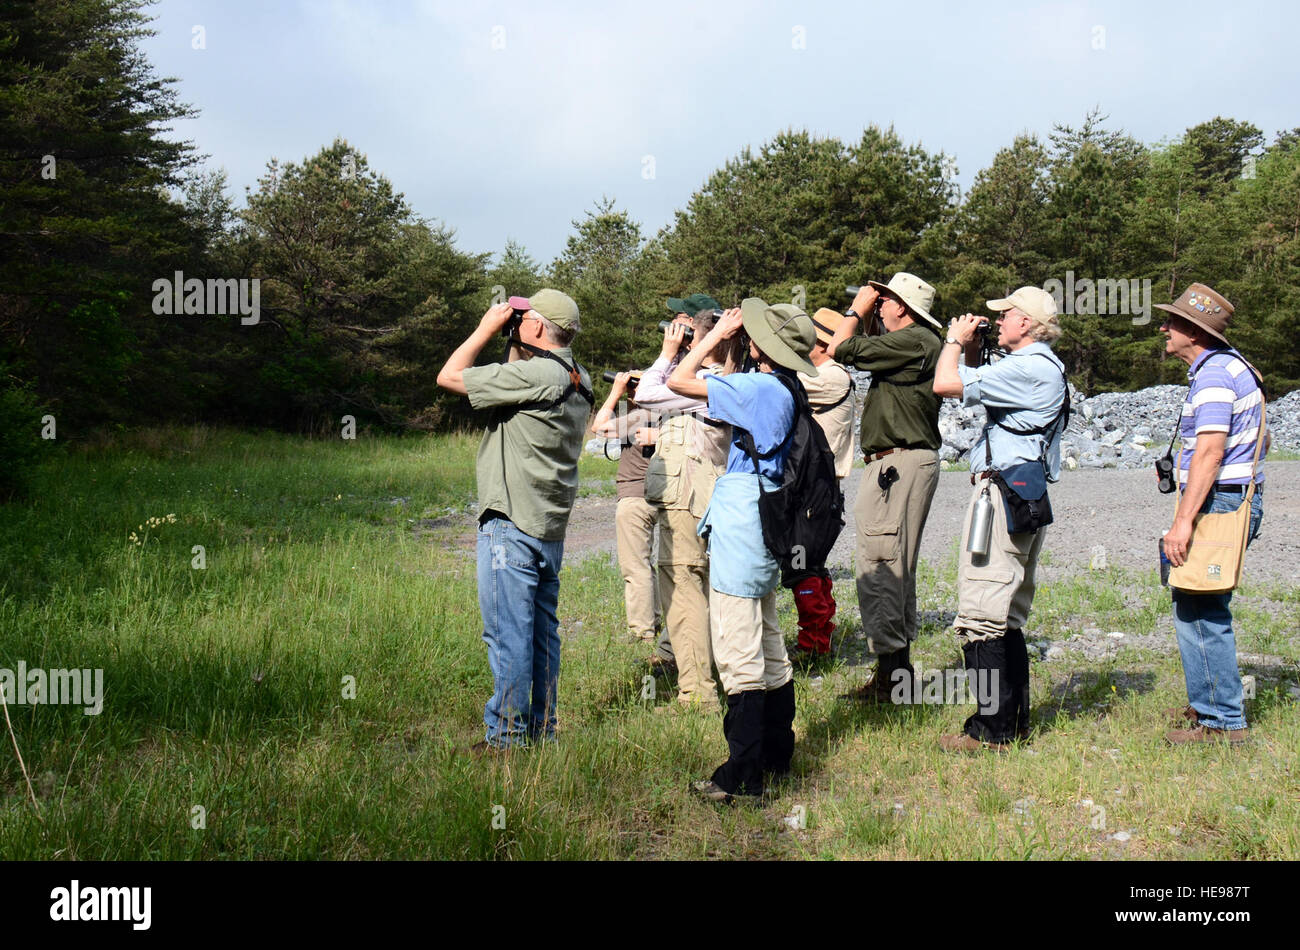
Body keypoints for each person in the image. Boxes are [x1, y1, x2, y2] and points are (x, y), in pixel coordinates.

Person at [668, 299, 817, 803]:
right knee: (768, 640)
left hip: (742, 523)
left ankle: (741, 778)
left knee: (737, 652)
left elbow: (677, 381)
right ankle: (777, 756)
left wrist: (709, 339)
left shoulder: (756, 387)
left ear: (760, 344)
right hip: (765, 520)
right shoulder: (790, 388)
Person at [435, 289, 591, 753]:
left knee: (508, 633)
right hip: (547, 526)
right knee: (542, 633)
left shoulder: (538, 373)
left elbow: (450, 376)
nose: (514, 324)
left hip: (510, 524)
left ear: (539, 327)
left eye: (522, 319)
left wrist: (485, 329)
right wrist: (515, 339)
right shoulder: (573, 375)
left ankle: (505, 739)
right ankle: (541, 728)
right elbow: (516, 378)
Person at [932, 286, 1067, 752]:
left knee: (983, 610)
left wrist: (952, 340)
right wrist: (973, 347)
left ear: (1026, 323)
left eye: (1006, 315)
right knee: (1006, 614)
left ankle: (991, 731)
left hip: (1002, 493)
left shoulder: (1029, 368)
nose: (1000, 321)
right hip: (1021, 491)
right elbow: (980, 378)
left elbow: (947, 384)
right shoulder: (1037, 367)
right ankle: (1012, 721)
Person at [1156, 283, 1266, 745]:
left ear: (1195, 333)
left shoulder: (1216, 375)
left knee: (1199, 607)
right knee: (1201, 601)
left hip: (1217, 499)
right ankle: (1212, 700)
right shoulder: (1232, 367)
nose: (1163, 328)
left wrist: (1183, 520)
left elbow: (1210, 452)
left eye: (1173, 322)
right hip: (1229, 496)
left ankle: (1221, 720)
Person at [826, 273, 943, 698]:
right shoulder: (913, 343)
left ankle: (894, 683)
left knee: (883, 563)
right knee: (891, 563)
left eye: (884, 299)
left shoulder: (915, 340)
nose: (878, 305)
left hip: (899, 464)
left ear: (904, 307)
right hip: (896, 464)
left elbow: (840, 348)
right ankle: (895, 677)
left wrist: (856, 307)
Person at [634, 294, 738, 711]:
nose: (675, 331)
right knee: (704, 587)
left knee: (683, 589)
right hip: (703, 494)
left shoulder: (706, 383)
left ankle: (697, 693)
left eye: (685, 326)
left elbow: (645, 393)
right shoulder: (724, 377)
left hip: (688, 495)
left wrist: (669, 353)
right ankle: (721, 679)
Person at [789, 307, 856, 663]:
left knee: (803, 565)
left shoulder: (830, 376)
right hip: (817, 487)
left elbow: (782, 388)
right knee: (809, 563)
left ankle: (814, 642)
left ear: (824, 344)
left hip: (817, 488)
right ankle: (817, 635)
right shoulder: (826, 373)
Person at [591, 378, 672, 667]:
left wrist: (614, 391)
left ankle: (643, 632)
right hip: (665, 494)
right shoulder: (672, 408)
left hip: (635, 496)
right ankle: (662, 622)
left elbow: (599, 427)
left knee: (636, 567)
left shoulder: (642, 413)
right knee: (666, 566)